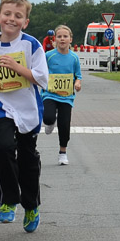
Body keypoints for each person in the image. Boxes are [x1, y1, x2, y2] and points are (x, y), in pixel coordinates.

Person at [0, 0, 49, 231]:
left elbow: (42, 78)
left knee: (27, 159)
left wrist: (17, 67)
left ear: (25, 22)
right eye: (7, 14)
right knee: (4, 147)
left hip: (27, 107)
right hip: (3, 106)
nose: (11, 19)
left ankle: (31, 205)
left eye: (18, 16)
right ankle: (8, 200)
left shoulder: (31, 45)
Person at [42, 24, 82, 164]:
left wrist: (77, 83)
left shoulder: (74, 58)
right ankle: (50, 122)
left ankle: (63, 152)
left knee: (64, 125)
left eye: (65, 36)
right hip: (50, 94)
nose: (62, 39)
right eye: (59, 36)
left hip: (66, 97)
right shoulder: (48, 56)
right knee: (48, 117)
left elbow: (78, 76)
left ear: (71, 39)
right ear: (55, 39)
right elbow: (41, 72)